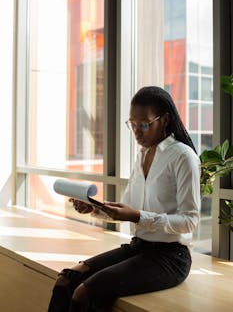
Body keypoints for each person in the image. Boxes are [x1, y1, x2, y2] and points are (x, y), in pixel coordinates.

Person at [48, 86, 201, 312]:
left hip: (170, 257)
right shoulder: (142, 155)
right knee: (66, 279)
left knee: (84, 293)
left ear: (165, 119)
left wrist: (138, 216)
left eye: (144, 124)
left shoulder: (183, 157)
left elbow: (190, 220)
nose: (137, 132)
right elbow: (129, 209)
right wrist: (95, 209)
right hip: (138, 248)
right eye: (133, 124)